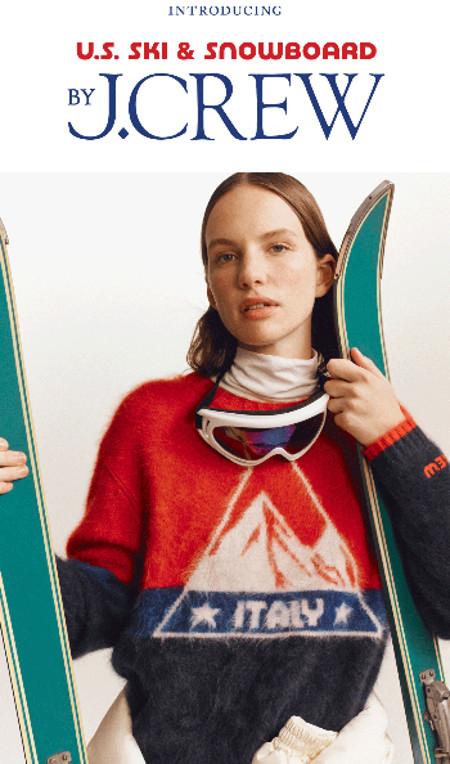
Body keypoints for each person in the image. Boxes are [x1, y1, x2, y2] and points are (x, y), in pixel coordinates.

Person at [1, 173, 449, 763]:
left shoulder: (370, 425)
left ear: (324, 273)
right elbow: (87, 615)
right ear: (211, 284)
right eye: (226, 256)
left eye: (277, 247)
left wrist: (398, 440)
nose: (251, 274)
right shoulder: (151, 420)